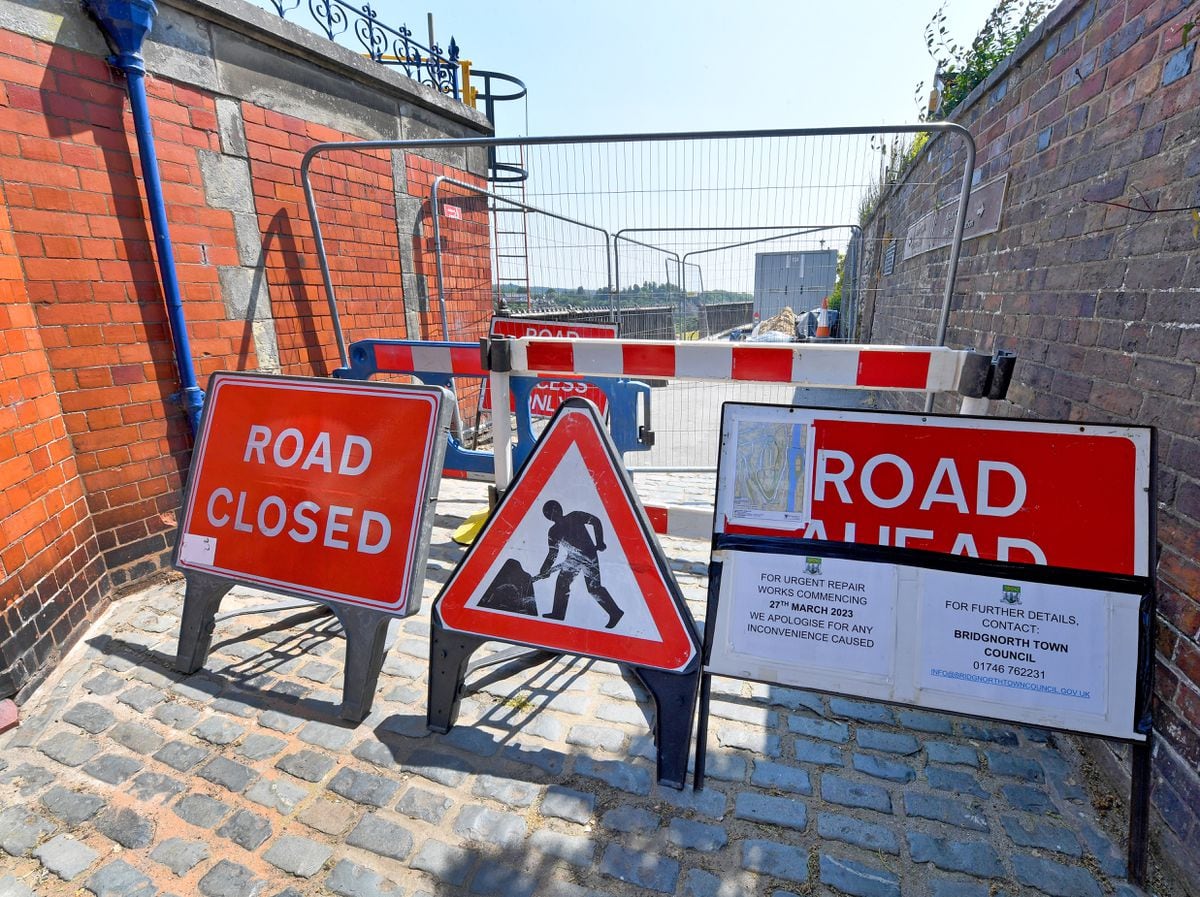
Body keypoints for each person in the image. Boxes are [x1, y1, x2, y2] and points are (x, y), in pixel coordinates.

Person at [533, 500, 623, 629]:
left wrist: (600, 541)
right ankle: (558, 613)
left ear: (558, 510)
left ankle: (615, 612)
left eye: (552, 512)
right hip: (573, 559)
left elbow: (596, 521)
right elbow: (552, 553)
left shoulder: (575, 516)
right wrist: (545, 569)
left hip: (589, 556)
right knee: (562, 584)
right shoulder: (553, 531)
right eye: (549, 514)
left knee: (593, 588)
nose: (552, 515)